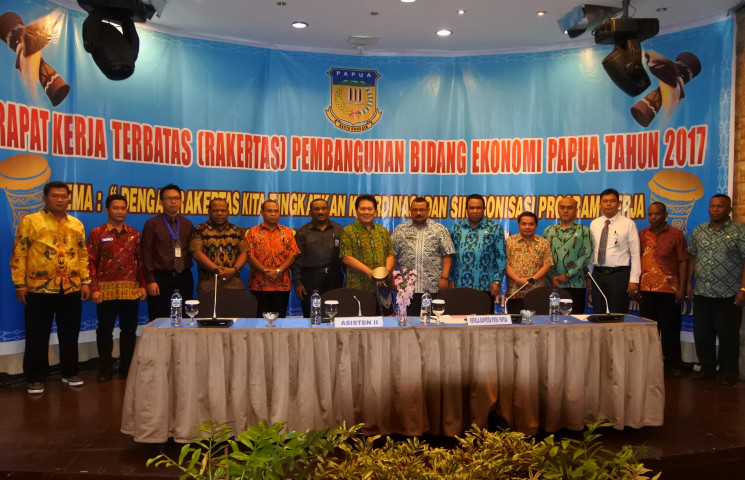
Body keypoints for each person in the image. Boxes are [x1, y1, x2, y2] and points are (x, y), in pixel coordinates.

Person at [10, 181, 90, 394]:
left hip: (71, 287)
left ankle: (69, 372)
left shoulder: (76, 224)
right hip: (39, 288)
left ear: (68, 199)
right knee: (37, 334)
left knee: (69, 333)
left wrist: (85, 281)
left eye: (64, 196)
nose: (60, 199)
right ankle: (35, 377)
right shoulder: (30, 221)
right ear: (45, 198)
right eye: (55, 195)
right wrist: (20, 284)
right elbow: (19, 254)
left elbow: (82, 255)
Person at [87, 194, 147, 381]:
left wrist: (143, 285)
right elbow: (90, 262)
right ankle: (105, 368)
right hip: (105, 291)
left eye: (123, 208)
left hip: (131, 290)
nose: (120, 211)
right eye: (115, 208)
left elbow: (141, 262)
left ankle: (126, 368)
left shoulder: (135, 234)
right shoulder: (97, 233)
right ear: (107, 210)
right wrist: (94, 288)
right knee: (105, 330)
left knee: (129, 330)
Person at [687, 194, 745, 386]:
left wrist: (743, 289)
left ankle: (728, 372)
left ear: (729, 209)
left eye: (720, 206)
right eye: (712, 206)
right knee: (702, 334)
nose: (715, 209)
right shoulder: (699, 231)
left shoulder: (739, 231)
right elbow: (692, 257)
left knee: (728, 335)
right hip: (702, 291)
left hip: (729, 293)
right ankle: (707, 368)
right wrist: (688, 283)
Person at [638, 202, 689, 377]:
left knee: (670, 330)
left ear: (665, 215)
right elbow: (637, 259)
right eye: (650, 214)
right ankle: (650, 364)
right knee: (648, 331)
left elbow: (683, 260)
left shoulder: (676, 234)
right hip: (647, 289)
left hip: (669, 289)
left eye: (657, 214)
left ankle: (673, 365)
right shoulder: (642, 234)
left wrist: (682, 287)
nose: (653, 217)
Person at [391, 196, 455, 315]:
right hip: (408, 288)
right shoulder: (400, 230)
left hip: (433, 287)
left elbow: (447, 254)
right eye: (415, 210)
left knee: (433, 321)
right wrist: (393, 278)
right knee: (409, 321)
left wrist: (444, 278)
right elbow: (392, 255)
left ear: (428, 210)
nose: (418, 213)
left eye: (422, 209)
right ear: (410, 211)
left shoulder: (440, 230)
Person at [142, 184, 194, 321]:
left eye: (176, 198)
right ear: (161, 202)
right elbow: (146, 254)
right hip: (160, 278)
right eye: (168, 198)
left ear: (181, 201)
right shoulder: (152, 224)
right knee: (159, 318)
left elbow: (193, 251)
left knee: (186, 317)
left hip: (184, 277)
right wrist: (150, 280)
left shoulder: (188, 224)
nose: (173, 201)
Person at [589, 188, 640, 314]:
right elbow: (591, 251)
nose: (608, 204)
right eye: (605, 201)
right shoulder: (594, 224)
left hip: (619, 276)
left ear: (618, 204)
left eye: (612, 201)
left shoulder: (628, 224)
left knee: (617, 314)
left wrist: (634, 279)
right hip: (598, 274)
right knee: (598, 313)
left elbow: (635, 253)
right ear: (600, 204)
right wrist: (589, 275)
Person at [245, 199, 300, 317]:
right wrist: (266, 271)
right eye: (269, 211)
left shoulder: (287, 232)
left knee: (279, 320)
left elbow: (293, 254)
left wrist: (279, 270)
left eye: (276, 211)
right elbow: (249, 256)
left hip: (281, 285)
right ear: (262, 213)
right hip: (259, 284)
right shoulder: (252, 232)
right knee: (260, 321)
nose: (273, 214)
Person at [291, 198, 344, 318]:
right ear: (310, 212)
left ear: (329, 210)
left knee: (333, 315)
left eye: (324, 208)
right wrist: (297, 282)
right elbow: (296, 261)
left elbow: (345, 258)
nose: (321, 212)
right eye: (316, 209)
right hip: (310, 280)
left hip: (334, 279)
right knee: (311, 315)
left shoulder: (339, 230)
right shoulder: (302, 232)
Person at [449, 193, 506, 302]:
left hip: (485, 285)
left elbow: (501, 257)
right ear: (466, 209)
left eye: (478, 208)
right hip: (460, 284)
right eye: (471, 208)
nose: (475, 211)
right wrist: (450, 278)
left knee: (483, 313)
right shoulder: (457, 228)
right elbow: (451, 255)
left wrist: (497, 281)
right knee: (461, 312)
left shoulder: (495, 228)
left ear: (484, 209)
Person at [543, 196, 593, 313]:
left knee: (574, 320)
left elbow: (586, 256)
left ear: (576, 210)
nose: (565, 211)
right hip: (553, 284)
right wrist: (551, 277)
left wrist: (568, 275)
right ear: (558, 209)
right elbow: (544, 257)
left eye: (569, 208)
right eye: (562, 207)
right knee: (552, 319)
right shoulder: (548, 231)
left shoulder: (584, 231)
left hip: (575, 284)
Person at [189, 198, 248, 294]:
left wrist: (234, 270)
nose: (219, 213)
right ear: (209, 212)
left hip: (233, 283)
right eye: (215, 210)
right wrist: (217, 270)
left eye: (223, 210)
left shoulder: (237, 230)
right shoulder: (200, 230)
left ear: (228, 212)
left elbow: (244, 252)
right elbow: (196, 253)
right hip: (208, 285)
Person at [340, 195, 396, 295]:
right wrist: (370, 273)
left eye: (370, 209)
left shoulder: (382, 231)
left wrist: (385, 272)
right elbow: (346, 258)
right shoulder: (348, 231)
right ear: (356, 211)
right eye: (363, 209)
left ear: (375, 211)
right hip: (358, 287)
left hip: (382, 288)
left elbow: (390, 255)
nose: (366, 212)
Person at [505, 211, 553, 313]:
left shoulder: (543, 242)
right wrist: (518, 280)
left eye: (531, 224)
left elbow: (547, 264)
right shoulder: (509, 242)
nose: (527, 227)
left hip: (537, 291)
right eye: (524, 224)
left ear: (536, 225)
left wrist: (532, 279)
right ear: (518, 225)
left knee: (538, 321)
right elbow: (506, 264)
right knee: (516, 321)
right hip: (515, 291)